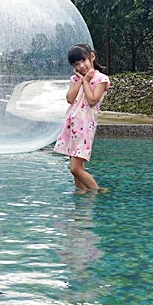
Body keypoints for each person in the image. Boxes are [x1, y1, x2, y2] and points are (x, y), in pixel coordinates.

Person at [54, 43, 109, 193]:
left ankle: (97, 191)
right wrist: (79, 81)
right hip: (72, 125)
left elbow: (92, 101)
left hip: (85, 126)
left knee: (75, 168)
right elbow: (70, 99)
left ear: (92, 56)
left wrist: (85, 81)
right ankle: (82, 195)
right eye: (76, 64)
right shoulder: (75, 79)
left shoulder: (101, 79)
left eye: (83, 61)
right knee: (77, 169)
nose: (81, 66)